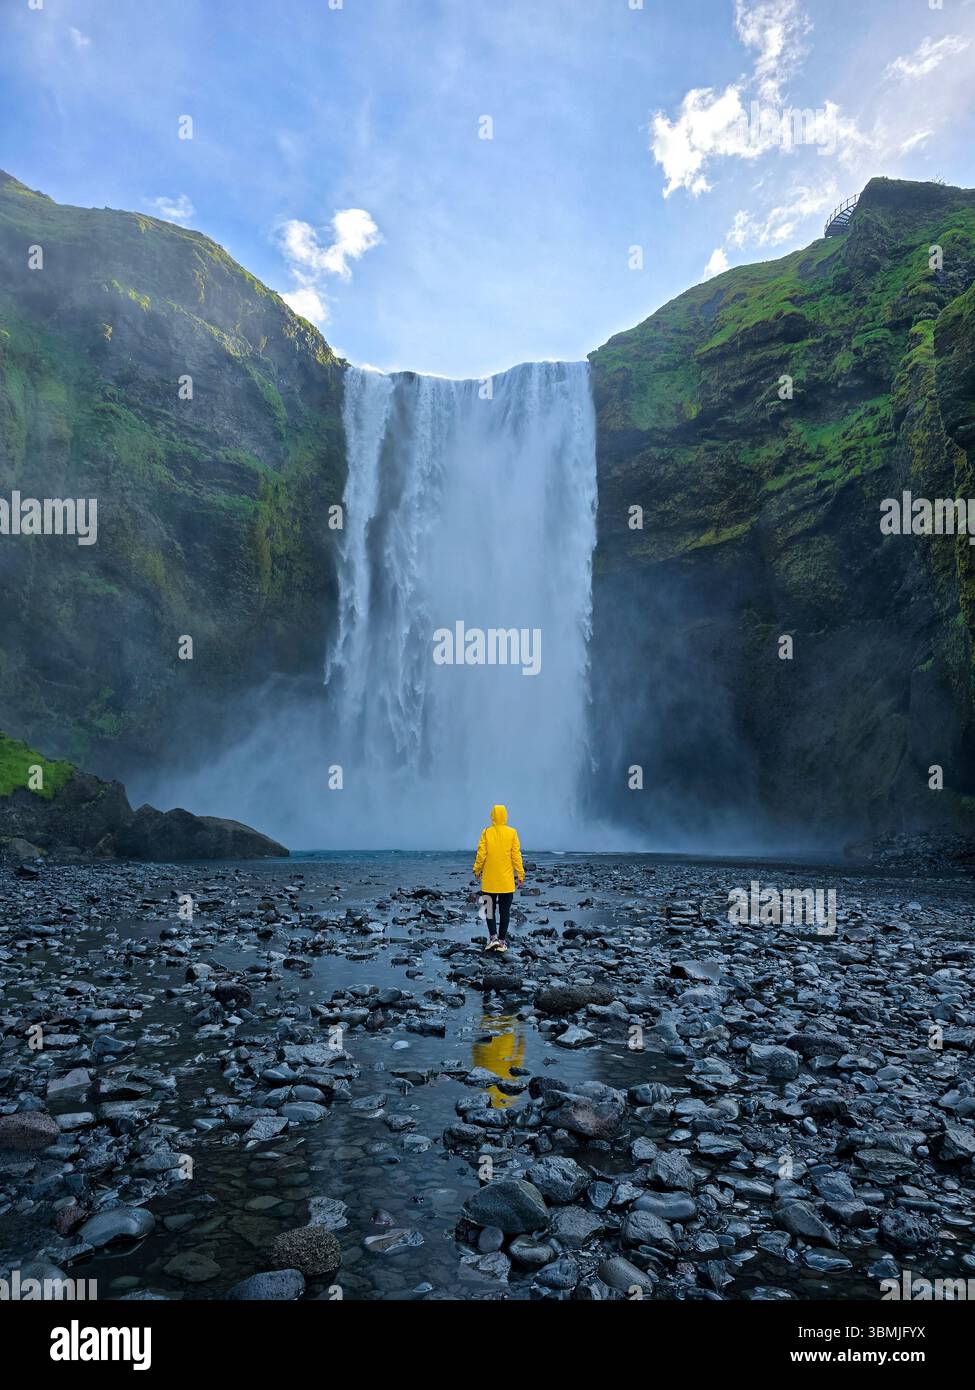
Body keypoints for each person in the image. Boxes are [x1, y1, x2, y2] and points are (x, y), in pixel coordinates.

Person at [472, 803, 525, 952]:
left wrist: (477, 870)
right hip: (506, 883)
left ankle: (493, 938)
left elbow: (481, 854)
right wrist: (520, 874)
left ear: (492, 816)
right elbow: (516, 856)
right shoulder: (512, 833)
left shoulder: (486, 832)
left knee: (489, 910)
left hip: (489, 882)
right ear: (505, 816)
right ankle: (502, 942)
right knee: (505, 912)